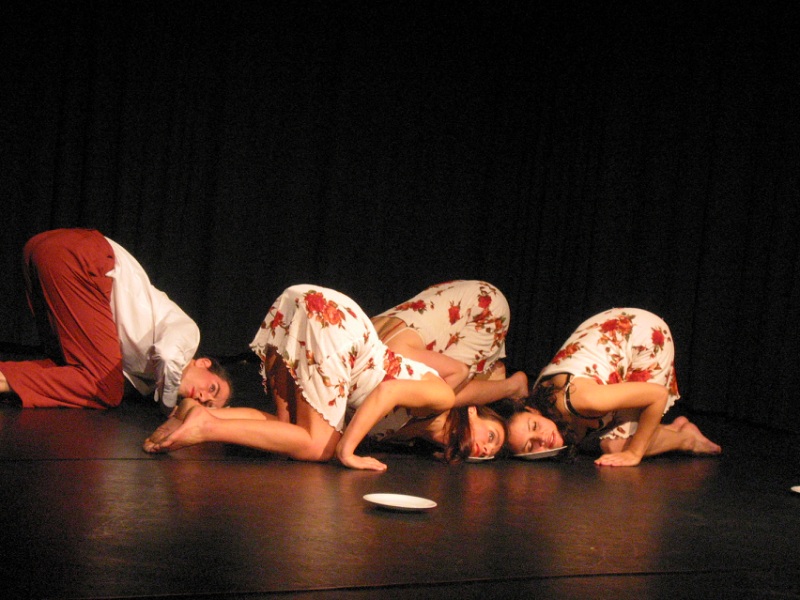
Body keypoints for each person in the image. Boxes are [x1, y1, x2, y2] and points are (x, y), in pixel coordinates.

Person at [143, 285, 507, 470]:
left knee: (287, 431)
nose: (487, 448)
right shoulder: (443, 397)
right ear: (473, 411)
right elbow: (388, 392)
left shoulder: (409, 434)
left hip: (305, 307)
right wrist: (346, 451)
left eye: (491, 452)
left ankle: (196, 413)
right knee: (320, 447)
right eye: (491, 436)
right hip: (336, 327)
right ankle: (207, 426)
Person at [0, 228, 232, 411]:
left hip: (45, 251)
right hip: (82, 258)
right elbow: (168, 355)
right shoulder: (190, 335)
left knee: (70, 370)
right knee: (106, 388)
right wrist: (168, 407)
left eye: (207, 404)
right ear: (204, 363)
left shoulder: (146, 381)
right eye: (212, 389)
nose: (203, 397)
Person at [505, 308, 721, 466]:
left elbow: (658, 395)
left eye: (534, 426)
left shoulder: (582, 400)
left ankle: (687, 439)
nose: (542, 438)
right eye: (531, 446)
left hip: (642, 337)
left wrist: (634, 453)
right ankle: (674, 428)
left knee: (614, 446)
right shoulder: (542, 399)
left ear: (532, 411)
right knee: (592, 440)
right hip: (609, 335)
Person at [371, 280, 529, 407]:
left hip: (485, 308)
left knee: (440, 396)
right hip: (459, 298)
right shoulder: (366, 342)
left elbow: (444, 390)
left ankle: (512, 386)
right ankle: (500, 380)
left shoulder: (393, 359)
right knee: (435, 394)